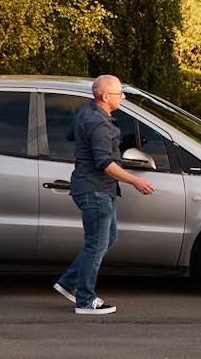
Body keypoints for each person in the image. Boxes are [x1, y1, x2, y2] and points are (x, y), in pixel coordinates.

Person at [52, 75, 155, 315]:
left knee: (107, 238)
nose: (123, 97)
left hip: (90, 187)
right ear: (105, 96)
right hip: (95, 189)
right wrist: (135, 180)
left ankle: (69, 283)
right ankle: (86, 300)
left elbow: (71, 135)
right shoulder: (100, 123)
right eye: (120, 93)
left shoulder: (86, 114)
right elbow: (105, 163)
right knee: (96, 244)